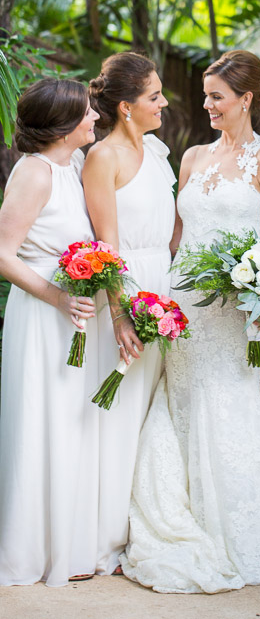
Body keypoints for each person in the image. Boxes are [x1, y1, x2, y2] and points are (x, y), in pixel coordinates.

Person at [120, 49, 260, 593]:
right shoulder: (190, 158)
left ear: (246, 99)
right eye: (207, 95)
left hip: (233, 310)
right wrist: (156, 299)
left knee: (229, 399)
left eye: (217, 96)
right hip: (183, 305)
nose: (207, 104)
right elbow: (175, 238)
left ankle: (243, 527)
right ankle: (183, 509)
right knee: (181, 398)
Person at [0, 79, 100, 586]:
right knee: (42, 424)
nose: (95, 118)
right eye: (87, 112)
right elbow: (2, 253)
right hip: (42, 317)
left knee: (69, 426)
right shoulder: (35, 174)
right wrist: (58, 298)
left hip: (73, 317)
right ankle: (31, 550)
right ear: (63, 125)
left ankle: (69, 541)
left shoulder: (74, 166)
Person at [83, 52, 176, 576]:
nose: (163, 102)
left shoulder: (158, 149)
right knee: (121, 411)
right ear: (125, 107)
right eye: (154, 96)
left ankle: (144, 520)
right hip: (129, 288)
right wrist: (121, 316)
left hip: (165, 285)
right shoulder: (105, 159)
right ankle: (108, 531)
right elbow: (108, 245)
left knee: (153, 414)